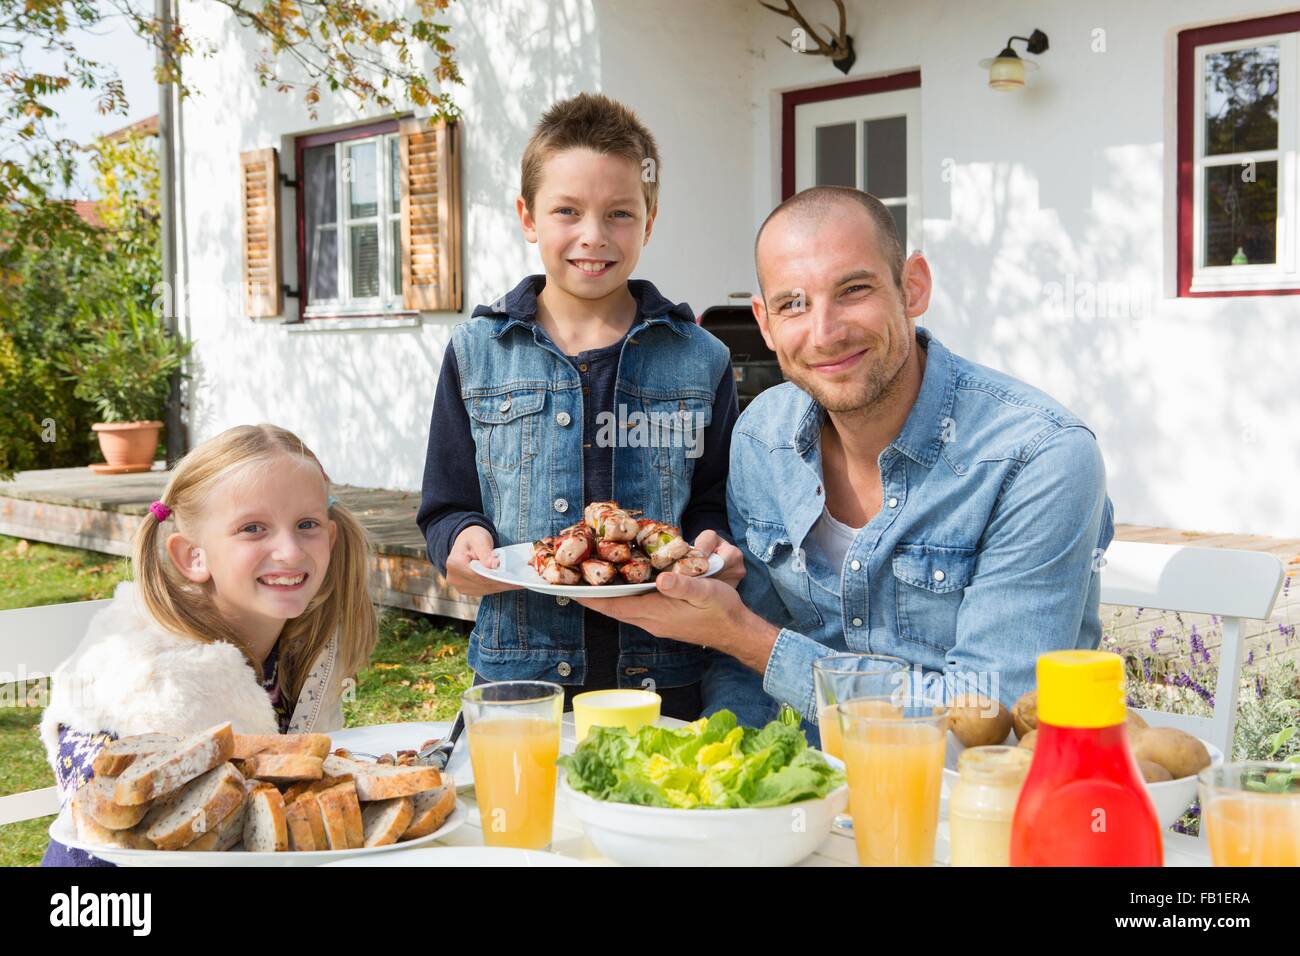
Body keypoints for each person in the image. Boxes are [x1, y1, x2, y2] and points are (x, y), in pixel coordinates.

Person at [578, 185, 1115, 738]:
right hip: (809, 804)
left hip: (975, 810)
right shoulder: (763, 438)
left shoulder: (1037, 456)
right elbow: (740, 677)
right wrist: (725, 778)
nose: (825, 332)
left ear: (913, 287)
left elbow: (986, 720)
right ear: (764, 322)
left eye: (853, 290)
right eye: (793, 304)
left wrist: (741, 634)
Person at [416, 92, 744, 718]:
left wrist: (715, 544)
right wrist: (460, 542)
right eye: (567, 210)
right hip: (520, 682)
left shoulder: (701, 358)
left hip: (664, 677)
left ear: (649, 219)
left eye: (619, 213)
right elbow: (448, 503)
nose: (593, 236)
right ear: (528, 216)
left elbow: (714, 498)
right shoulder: (477, 351)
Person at [39, 424, 379, 864]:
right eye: (254, 528)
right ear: (192, 557)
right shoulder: (138, 675)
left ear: (330, 539)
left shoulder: (302, 642)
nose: (291, 552)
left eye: (307, 525)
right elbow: (107, 816)